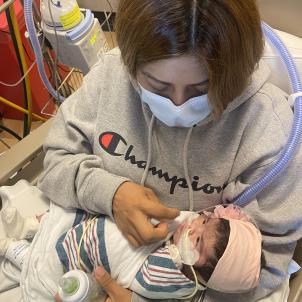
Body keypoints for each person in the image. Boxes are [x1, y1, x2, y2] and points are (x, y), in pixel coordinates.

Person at [38, 0, 302, 301]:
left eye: (200, 91)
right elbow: (57, 159)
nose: (177, 105)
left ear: (234, 77)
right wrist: (110, 194)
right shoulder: (111, 76)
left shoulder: (269, 129)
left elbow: (261, 267)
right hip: (80, 253)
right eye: (158, 87)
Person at [55, 205, 262, 299]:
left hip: (81, 255)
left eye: (197, 240)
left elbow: (145, 276)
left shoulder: (167, 275)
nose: (193, 226)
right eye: (205, 220)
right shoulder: (187, 228)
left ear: (200, 276)